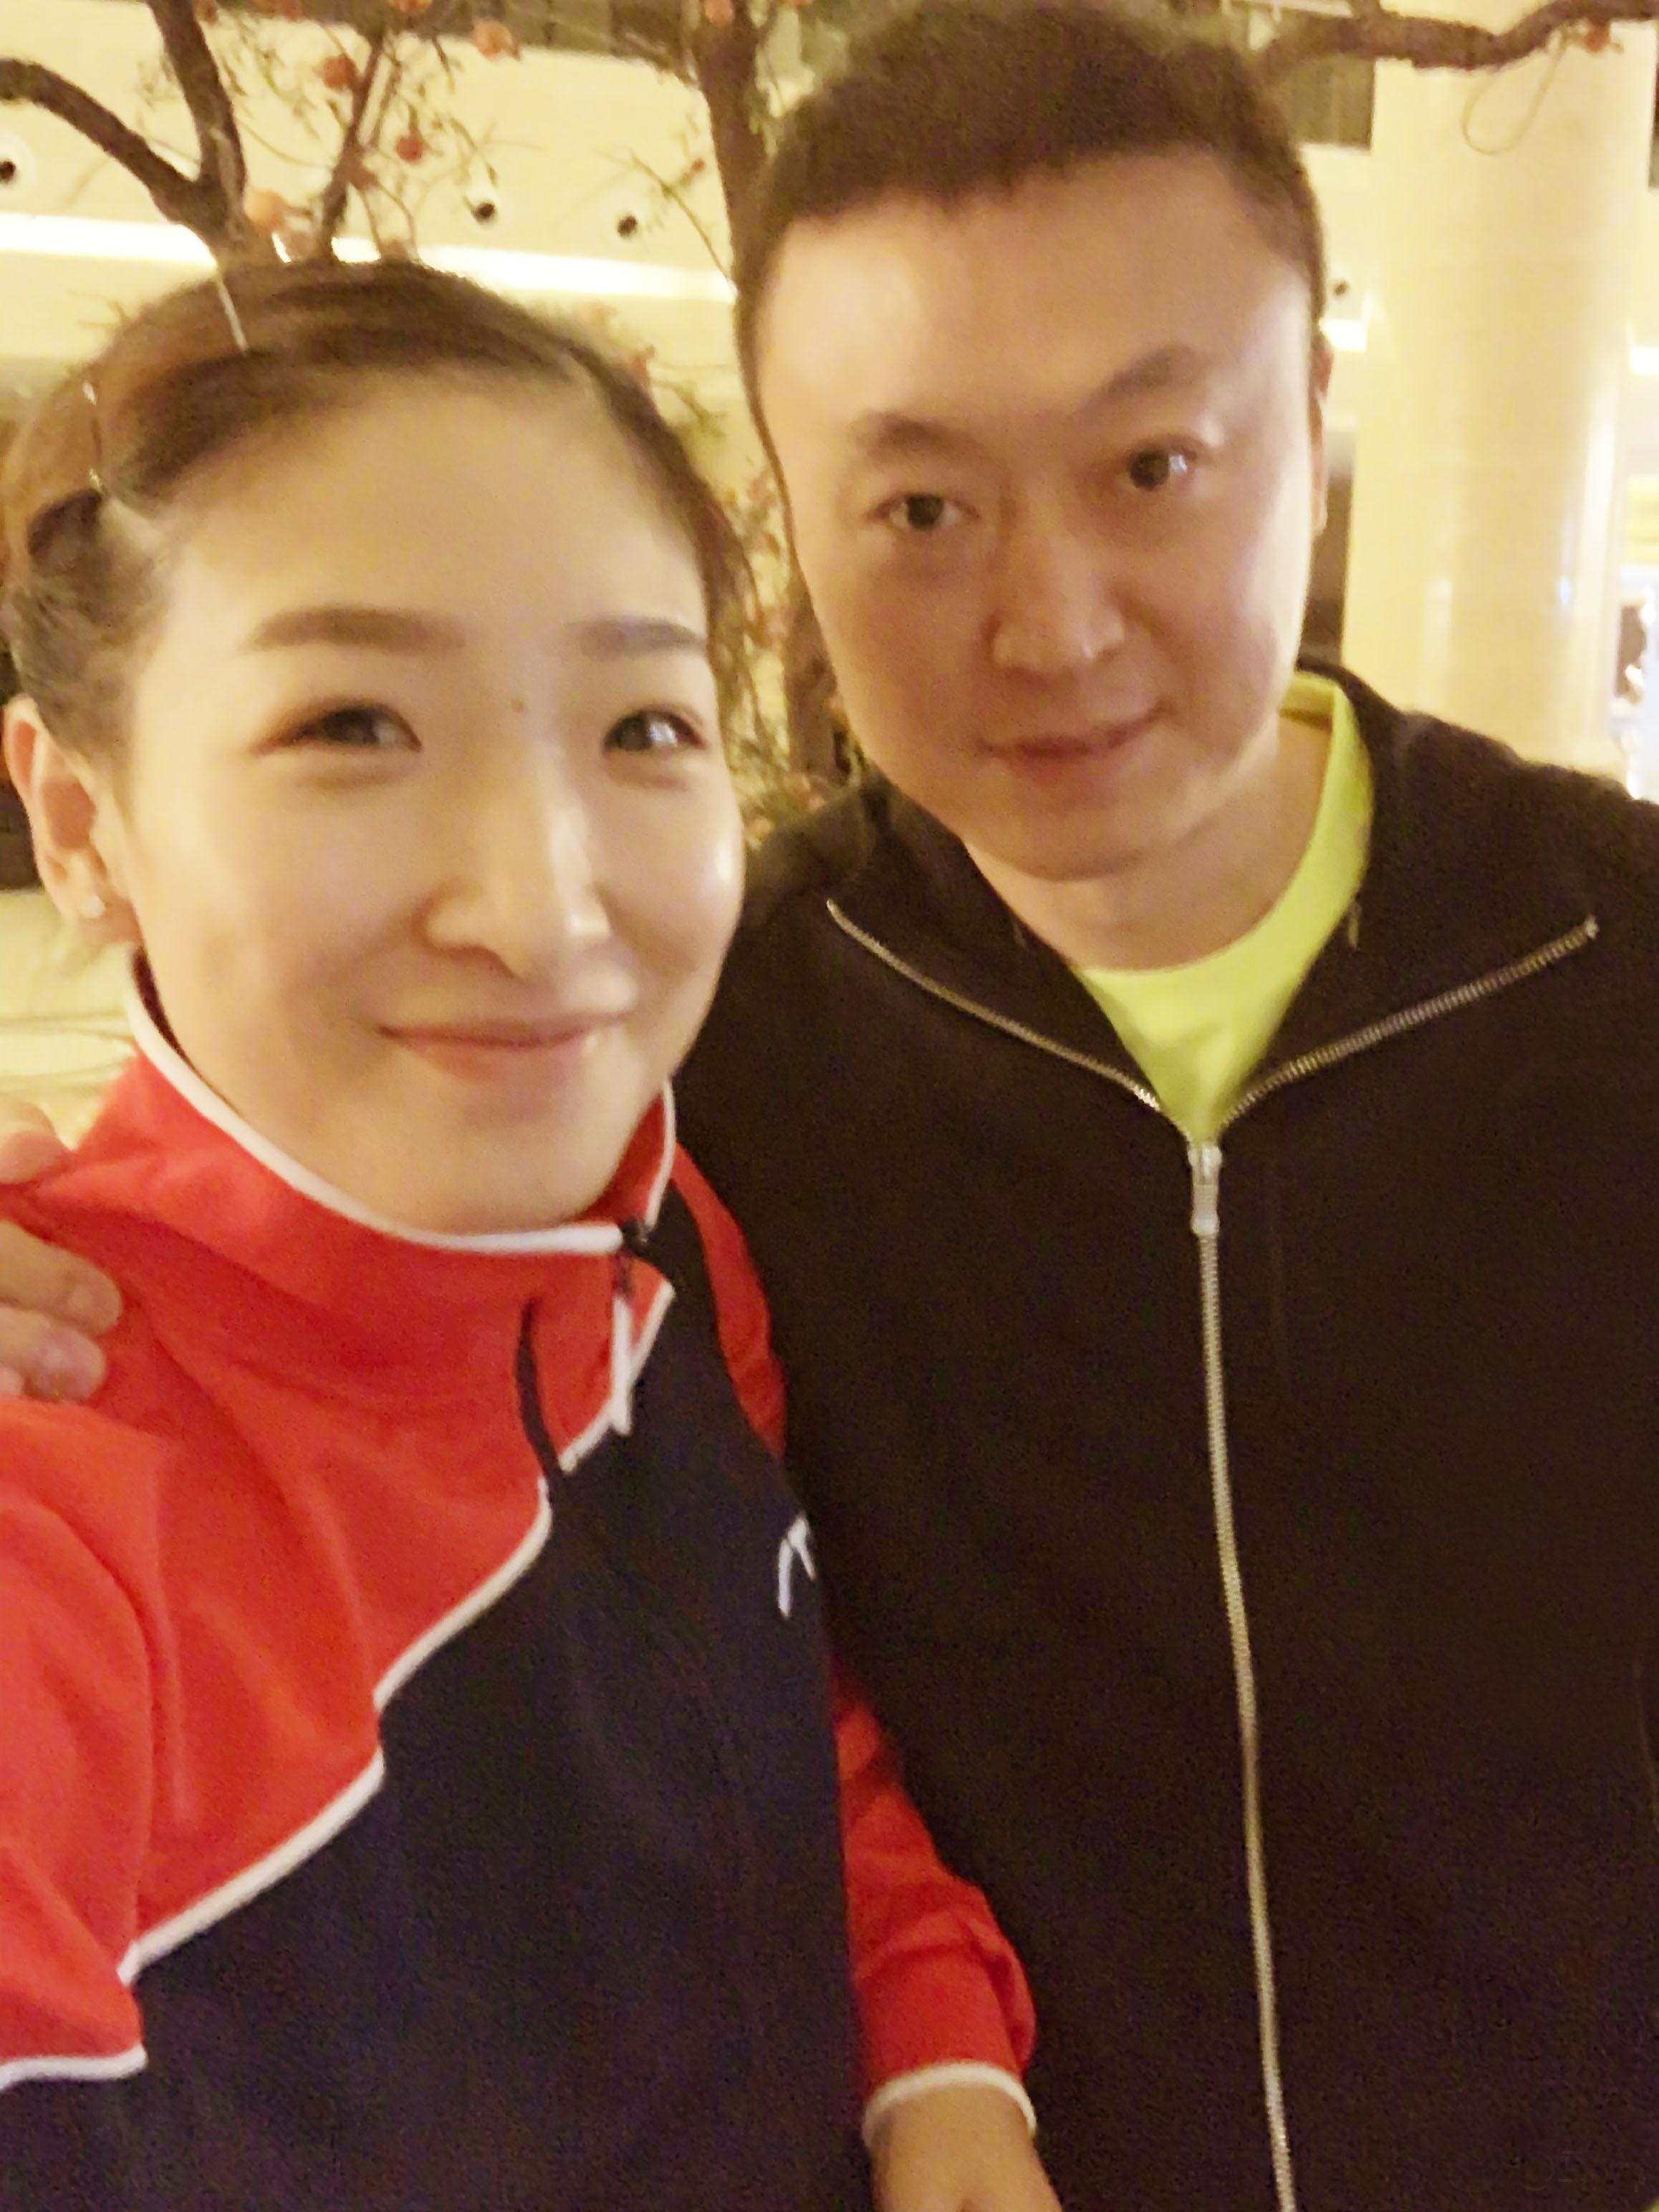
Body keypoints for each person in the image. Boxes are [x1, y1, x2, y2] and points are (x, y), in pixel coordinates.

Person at [4, 6, 1658, 2206]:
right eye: (921, 506)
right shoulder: (704, 1062)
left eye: (1153, 465)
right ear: (796, 523)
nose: (1050, 625)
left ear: (1309, 424)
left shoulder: (1608, 956)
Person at [0, 257, 1063, 2212]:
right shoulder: (52, 1496)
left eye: (643, 725)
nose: (543, 908)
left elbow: (782, 1721)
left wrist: (935, 2067)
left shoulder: (659, 1239)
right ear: (80, 823)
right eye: (351, 723)